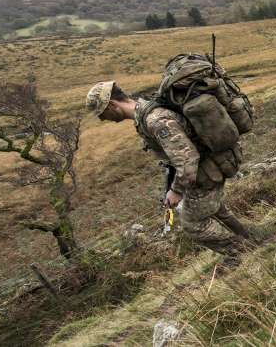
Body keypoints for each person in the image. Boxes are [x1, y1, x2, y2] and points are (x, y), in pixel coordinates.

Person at [85, 81, 251, 265]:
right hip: (206, 169)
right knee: (214, 208)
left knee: (193, 225)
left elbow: (188, 160)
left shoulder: (155, 120)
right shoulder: (147, 113)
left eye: (102, 113)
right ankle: (250, 237)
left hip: (206, 171)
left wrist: (176, 190)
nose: (103, 119)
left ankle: (241, 250)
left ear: (112, 105)